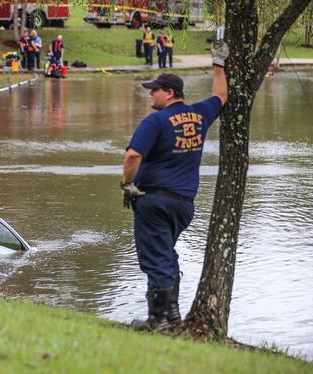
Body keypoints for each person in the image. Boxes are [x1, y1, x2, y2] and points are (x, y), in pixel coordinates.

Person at [120, 40, 229, 331]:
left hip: (154, 202)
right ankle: (173, 319)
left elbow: (132, 155)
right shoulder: (199, 114)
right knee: (166, 255)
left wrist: (127, 185)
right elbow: (220, 94)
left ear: (169, 93)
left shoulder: (155, 122)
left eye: (154, 90)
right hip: (184, 205)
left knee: (155, 260)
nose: (150, 95)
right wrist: (218, 63)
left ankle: (158, 323)